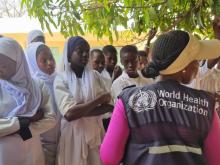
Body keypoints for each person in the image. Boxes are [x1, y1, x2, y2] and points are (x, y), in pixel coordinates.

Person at [100, 30, 220, 165]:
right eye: (196, 61)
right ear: (184, 67)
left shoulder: (129, 100)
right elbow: (216, 159)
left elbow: (109, 158)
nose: (198, 65)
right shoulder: (206, 105)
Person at [54, 36, 113, 165]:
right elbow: (69, 114)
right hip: (73, 137)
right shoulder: (61, 79)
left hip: (95, 133)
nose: (85, 54)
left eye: (87, 51)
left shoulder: (95, 76)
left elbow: (108, 107)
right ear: (69, 55)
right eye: (80, 51)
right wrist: (98, 100)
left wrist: (79, 109)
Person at [0, 37, 56, 165]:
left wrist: (22, 129)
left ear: (18, 61)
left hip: (32, 150)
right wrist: (23, 122)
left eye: (3, 64)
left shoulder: (37, 86)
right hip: (4, 154)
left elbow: (51, 118)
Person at [26, 42, 60, 165]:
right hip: (41, 144)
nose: (50, 63)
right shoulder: (34, 86)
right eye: (44, 60)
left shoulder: (60, 79)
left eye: (51, 58)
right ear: (33, 63)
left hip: (62, 140)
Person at [90, 49, 113, 130]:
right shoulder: (87, 80)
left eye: (102, 63)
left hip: (107, 118)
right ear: (89, 61)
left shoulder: (106, 78)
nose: (100, 65)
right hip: (92, 120)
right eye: (97, 62)